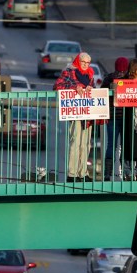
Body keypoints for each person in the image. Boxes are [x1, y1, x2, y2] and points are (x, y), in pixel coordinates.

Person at [54, 52, 97, 182]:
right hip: (75, 113)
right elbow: (58, 86)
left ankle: (83, 173)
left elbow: (94, 90)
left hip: (87, 114)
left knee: (86, 144)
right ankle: (72, 174)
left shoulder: (90, 74)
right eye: (83, 62)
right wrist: (74, 87)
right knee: (75, 142)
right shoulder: (69, 72)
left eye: (87, 62)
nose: (85, 65)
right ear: (78, 61)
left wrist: (91, 89)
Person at [102, 56, 129, 181]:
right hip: (126, 116)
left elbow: (101, 94)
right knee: (126, 145)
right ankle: (126, 172)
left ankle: (108, 173)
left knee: (111, 145)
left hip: (112, 116)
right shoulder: (129, 78)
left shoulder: (108, 78)